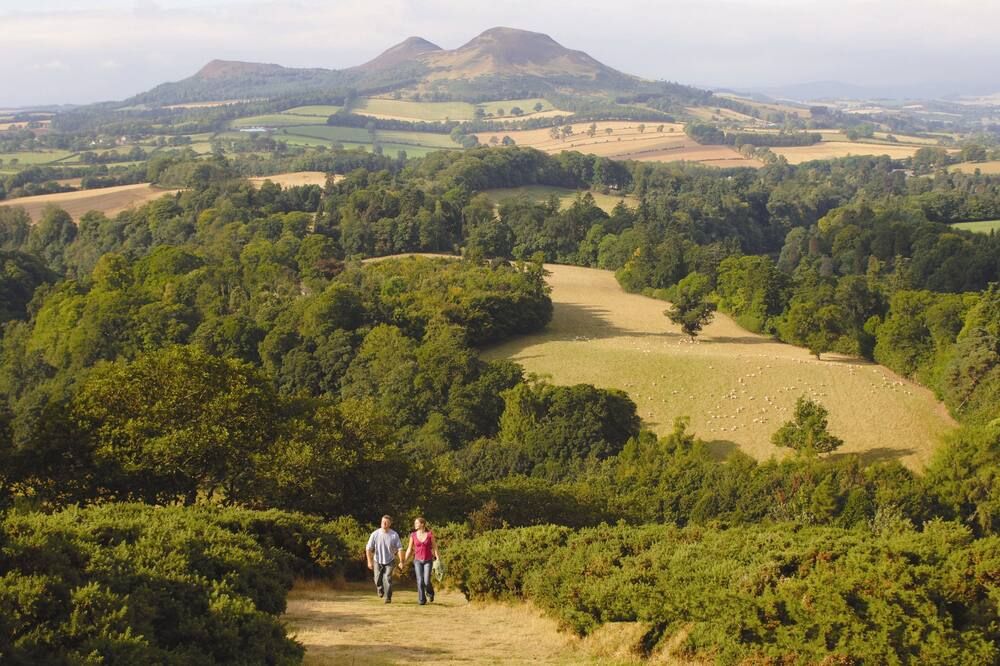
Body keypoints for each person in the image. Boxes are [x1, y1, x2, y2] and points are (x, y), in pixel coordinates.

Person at [365, 515, 404, 603]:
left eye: (386, 522)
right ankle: (380, 588)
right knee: (377, 578)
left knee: (387, 578)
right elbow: (368, 548)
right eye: (383, 521)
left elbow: (399, 549)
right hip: (377, 560)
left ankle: (388, 597)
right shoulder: (375, 534)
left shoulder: (394, 535)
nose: (384, 523)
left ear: (390, 524)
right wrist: (369, 561)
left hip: (390, 560)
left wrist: (401, 561)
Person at [402, 516, 439, 605]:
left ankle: (430, 593)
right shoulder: (413, 535)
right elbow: (409, 549)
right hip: (417, 560)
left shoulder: (430, 534)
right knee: (420, 580)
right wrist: (403, 561)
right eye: (415, 523)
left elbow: (435, 547)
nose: (415, 525)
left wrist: (438, 559)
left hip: (428, 560)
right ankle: (422, 600)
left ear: (422, 524)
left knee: (426, 580)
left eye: (417, 523)